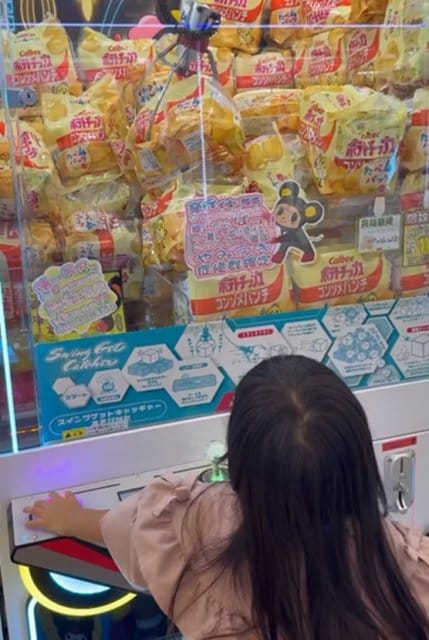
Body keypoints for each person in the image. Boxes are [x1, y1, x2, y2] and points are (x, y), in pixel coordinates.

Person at [24, 355, 429, 640]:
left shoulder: (202, 520)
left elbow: (125, 527)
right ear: (359, 465)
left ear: (238, 466)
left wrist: (67, 519)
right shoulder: (404, 563)